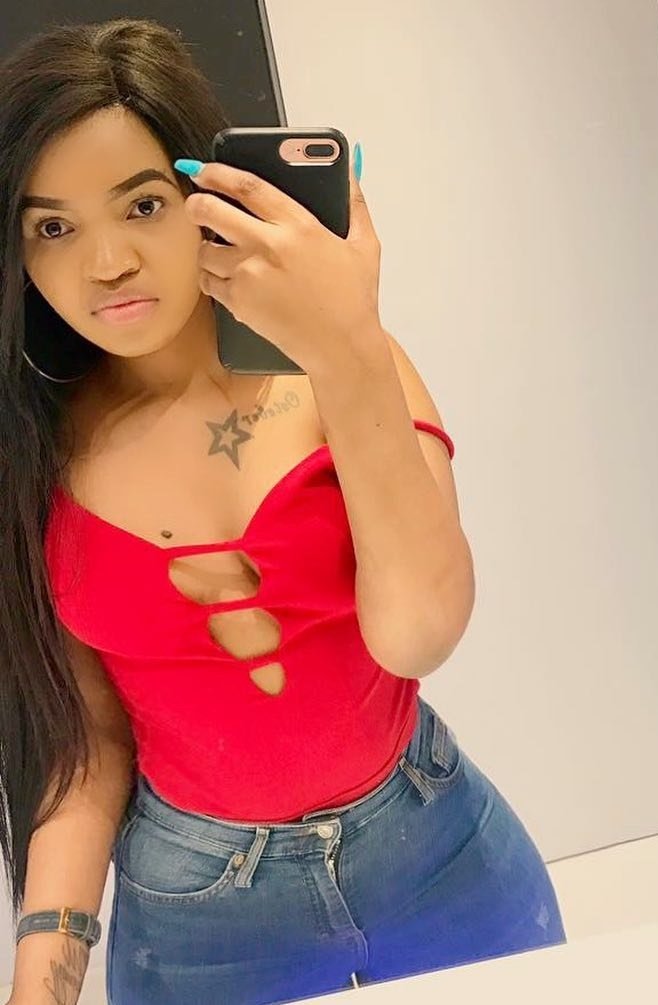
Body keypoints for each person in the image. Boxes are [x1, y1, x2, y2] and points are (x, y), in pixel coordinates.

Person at [0, 17, 566, 1005]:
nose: (106, 263)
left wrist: (347, 341)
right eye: (55, 227)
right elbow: (85, 751)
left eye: (142, 204)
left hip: (434, 852)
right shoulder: (33, 457)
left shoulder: (342, 370)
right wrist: (40, 983)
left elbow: (420, 632)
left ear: (209, 196)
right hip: (196, 911)